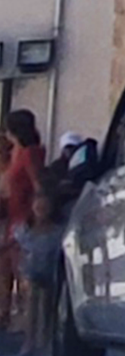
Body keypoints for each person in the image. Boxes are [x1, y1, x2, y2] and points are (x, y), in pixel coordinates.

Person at [2, 111, 47, 335]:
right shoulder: (16, 153)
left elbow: (38, 184)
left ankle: (28, 325)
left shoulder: (29, 154)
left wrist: (36, 215)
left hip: (24, 218)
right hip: (13, 216)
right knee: (9, 267)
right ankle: (13, 317)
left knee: (24, 273)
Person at [19, 181, 62, 356]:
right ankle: (29, 342)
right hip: (31, 273)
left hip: (49, 273)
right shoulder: (25, 231)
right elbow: (19, 250)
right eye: (38, 207)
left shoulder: (57, 233)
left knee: (47, 307)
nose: (41, 210)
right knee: (31, 306)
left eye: (45, 207)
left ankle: (46, 343)